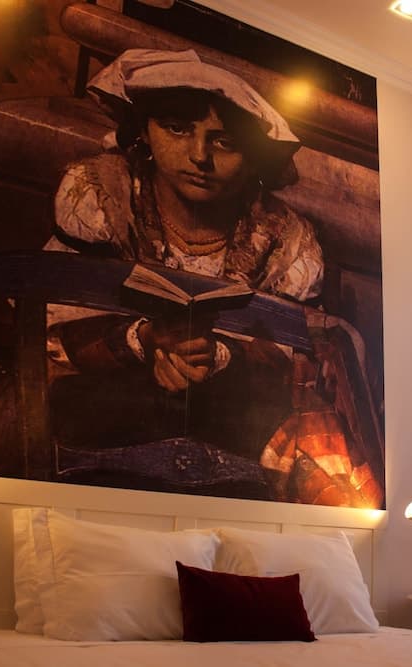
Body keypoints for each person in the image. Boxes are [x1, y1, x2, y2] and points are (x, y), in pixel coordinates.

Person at [42, 48, 382, 508]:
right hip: (101, 404)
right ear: (144, 130)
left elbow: (292, 355)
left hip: (235, 418)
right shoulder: (106, 196)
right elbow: (54, 319)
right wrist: (142, 339)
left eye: (224, 142)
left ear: (253, 157)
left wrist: (217, 355)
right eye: (176, 128)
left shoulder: (281, 237)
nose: (199, 156)